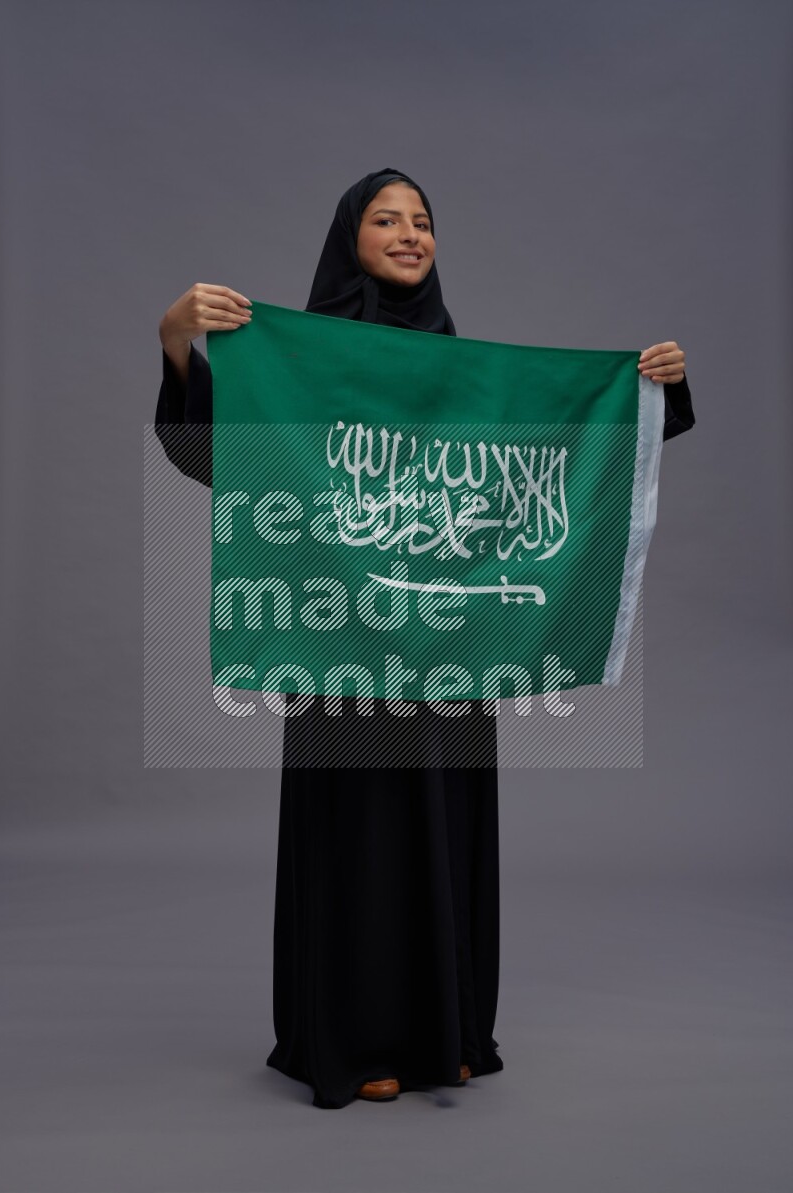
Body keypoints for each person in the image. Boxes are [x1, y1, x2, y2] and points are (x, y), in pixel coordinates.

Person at [154, 167, 695, 1110]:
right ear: (350, 238)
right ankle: (353, 1040)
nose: (410, 234)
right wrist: (175, 341)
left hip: (451, 649)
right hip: (341, 647)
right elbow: (218, 457)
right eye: (386, 219)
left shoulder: (465, 375)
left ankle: (447, 1032)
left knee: (446, 827)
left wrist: (652, 393)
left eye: (423, 221)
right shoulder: (294, 364)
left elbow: (575, 454)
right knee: (360, 838)